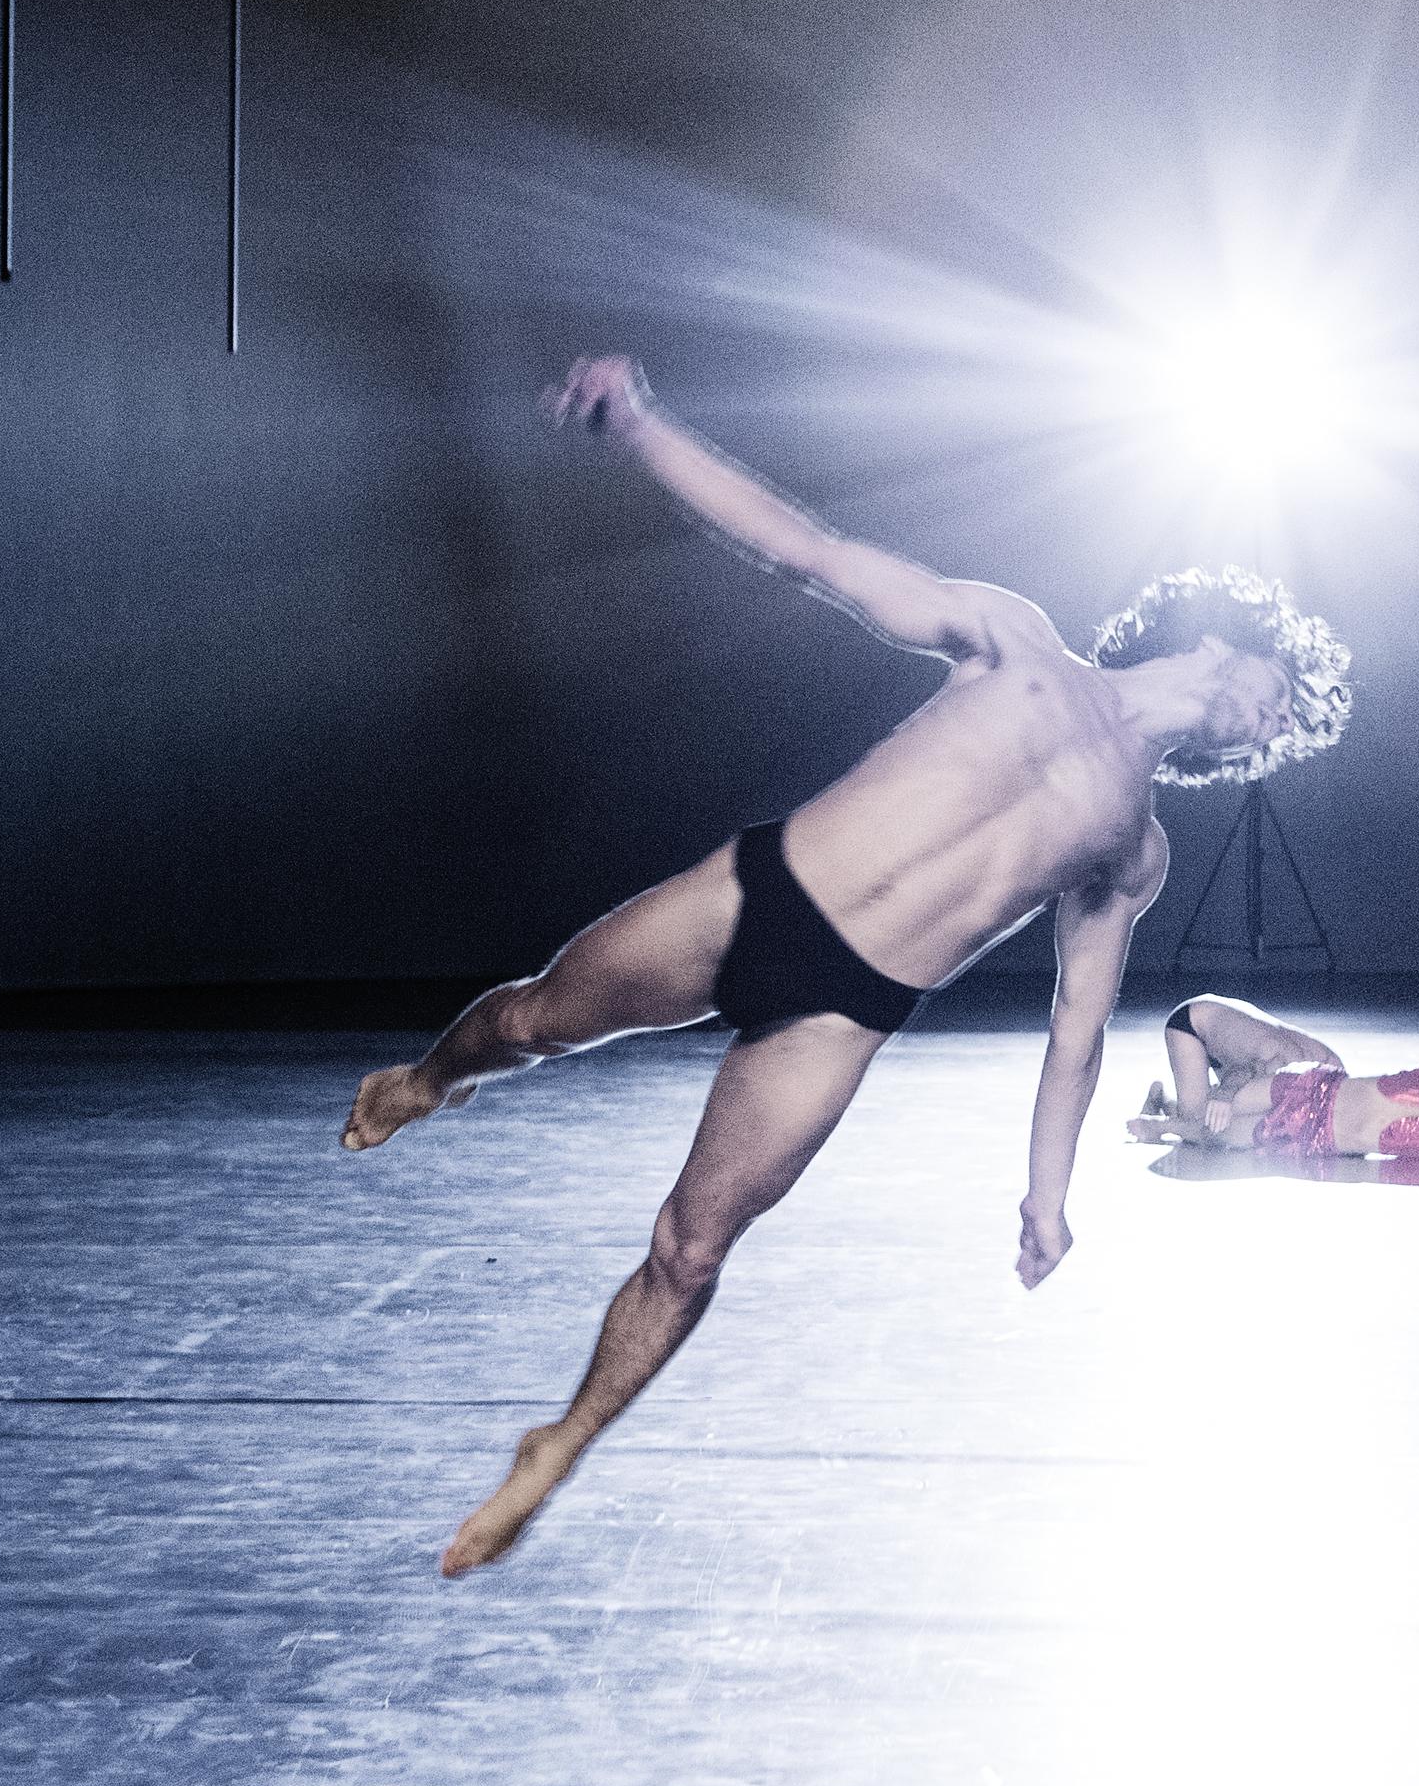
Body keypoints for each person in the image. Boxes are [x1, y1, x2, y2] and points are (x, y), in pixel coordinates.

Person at [343, 357, 1351, 1576]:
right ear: (1225, 643)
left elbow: (1074, 1033)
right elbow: (806, 552)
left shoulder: (1134, 849)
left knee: (691, 1249)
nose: (1277, 722)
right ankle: (432, 1078)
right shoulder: (1012, 636)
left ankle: (555, 1447)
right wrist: (642, 422)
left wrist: (1047, 1193)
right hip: (753, 897)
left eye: (1291, 726)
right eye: (1281, 691)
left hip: (839, 1012)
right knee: (525, 1025)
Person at [1130, 992, 1419, 1172]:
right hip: (1298, 1082)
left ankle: (1164, 1120)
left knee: (1218, 1134)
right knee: (1205, 1110)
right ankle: (1171, 1111)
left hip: (1314, 1135)